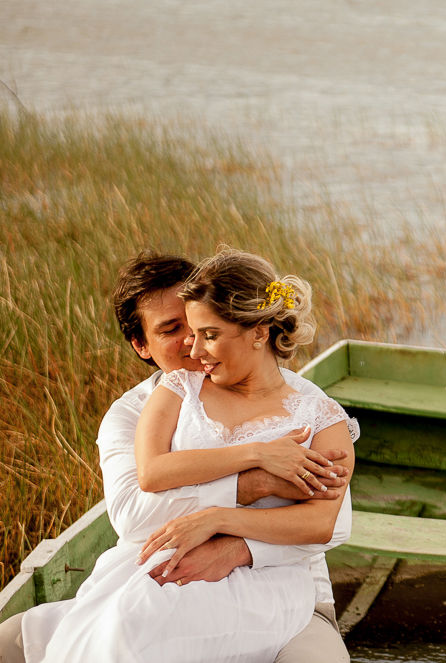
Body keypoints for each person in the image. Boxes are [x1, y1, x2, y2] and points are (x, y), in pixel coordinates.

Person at [0, 251, 355, 663]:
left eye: (204, 329)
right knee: (111, 627)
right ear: (141, 345)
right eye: (174, 329)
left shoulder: (311, 406)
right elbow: (135, 510)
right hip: (157, 571)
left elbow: (330, 524)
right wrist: (253, 477)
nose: (192, 342)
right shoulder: (145, 406)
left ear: (256, 330)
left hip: (280, 580)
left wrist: (235, 540)